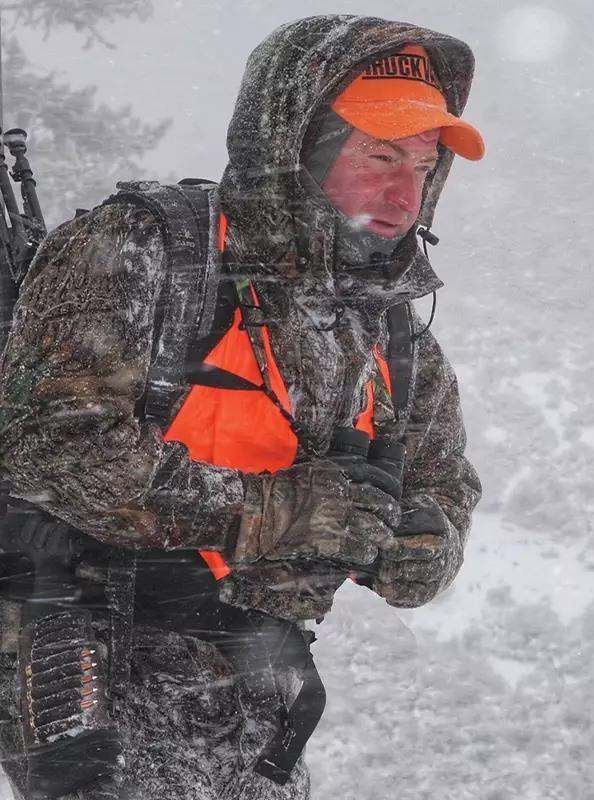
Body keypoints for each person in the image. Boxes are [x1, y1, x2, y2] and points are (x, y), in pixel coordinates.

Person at [0, 15, 483, 800]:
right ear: (296, 148)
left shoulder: (389, 329)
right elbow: (49, 446)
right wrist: (270, 512)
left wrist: (423, 545)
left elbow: (444, 484)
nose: (406, 190)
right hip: (80, 644)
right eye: (381, 155)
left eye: (424, 167)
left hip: (255, 679)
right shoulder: (146, 252)